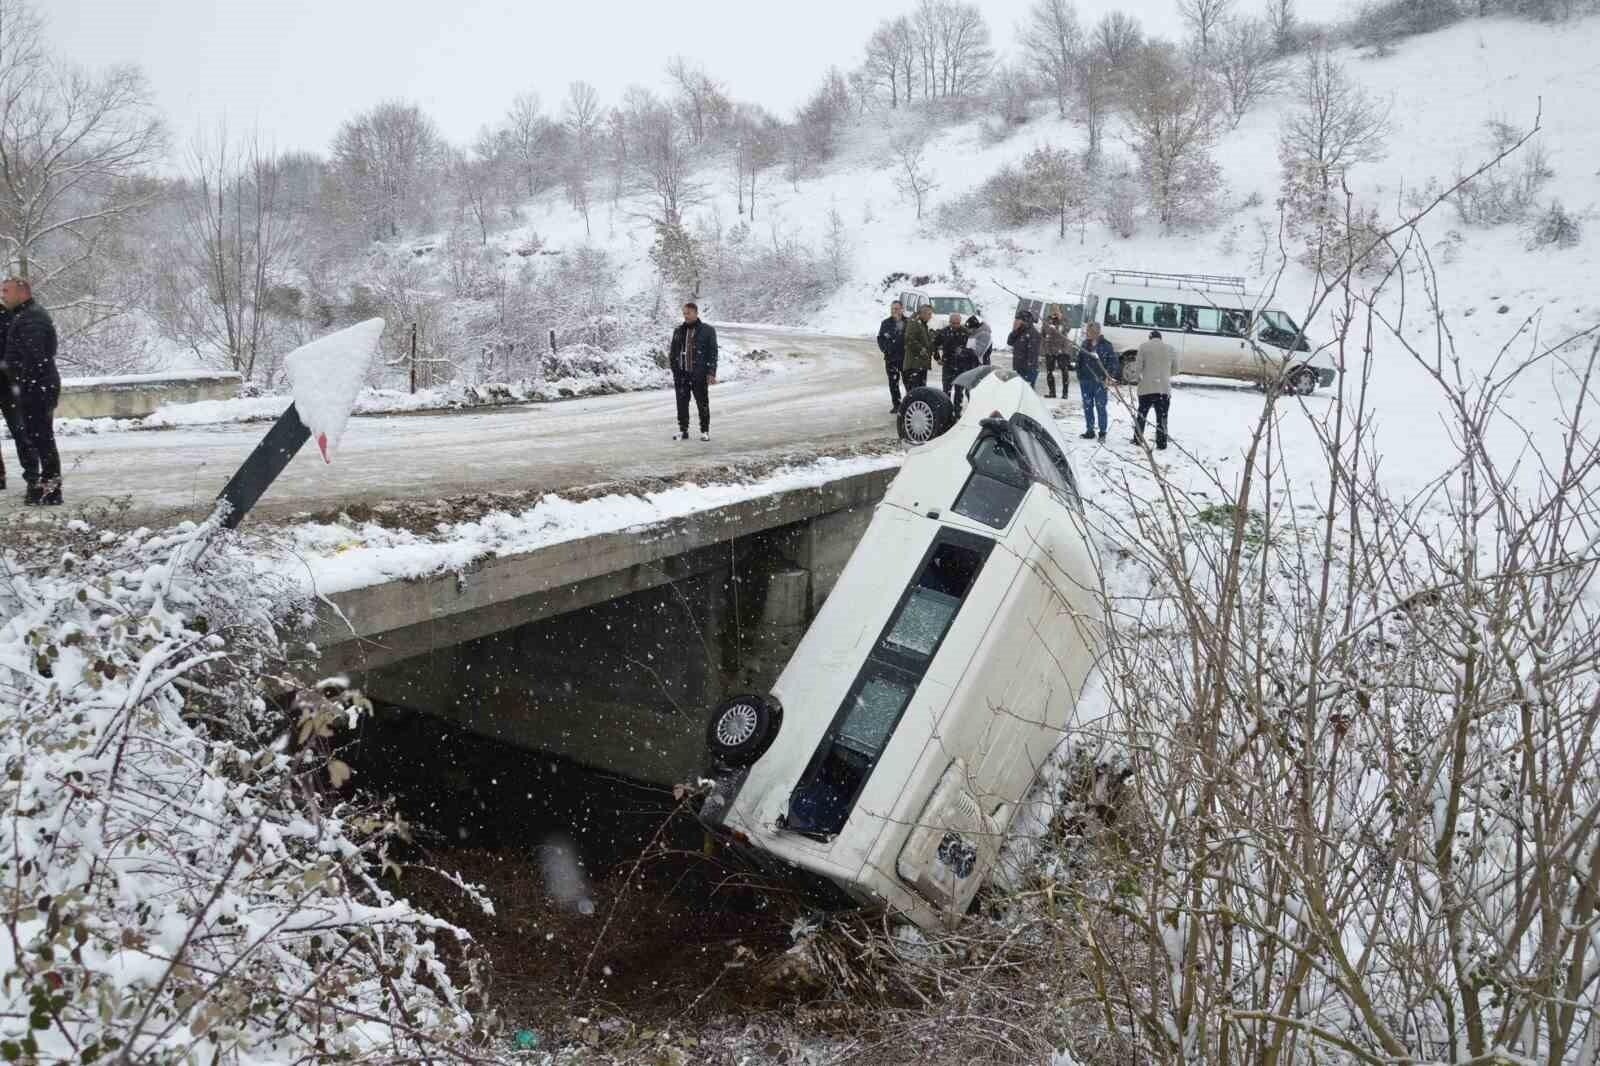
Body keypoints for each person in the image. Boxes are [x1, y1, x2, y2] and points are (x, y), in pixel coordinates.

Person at [0, 277, 61, 505]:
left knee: (37, 438)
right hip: (28, 386)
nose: (2, 295)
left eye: (6, 290)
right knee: (38, 437)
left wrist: (22, 383)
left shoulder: (26, 317)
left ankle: (45, 487)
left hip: (29, 387)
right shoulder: (23, 315)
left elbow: (35, 358)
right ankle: (46, 488)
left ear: (21, 292)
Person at [668, 301, 717, 441]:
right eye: (684, 313)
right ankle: (683, 430)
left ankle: (704, 431)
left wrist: (711, 372)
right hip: (681, 375)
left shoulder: (708, 330)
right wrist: (675, 370)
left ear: (696, 313)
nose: (685, 316)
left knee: (702, 403)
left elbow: (713, 353)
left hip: (699, 374)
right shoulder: (678, 330)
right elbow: (673, 352)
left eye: (688, 313)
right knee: (681, 403)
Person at [1130, 329, 1179, 450]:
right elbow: (1176, 370)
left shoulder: (1143, 347)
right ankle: (1161, 442)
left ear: (1150, 337)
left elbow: (1138, 368)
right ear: (1161, 338)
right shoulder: (1171, 349)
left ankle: (1138, 438)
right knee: (1162, 416)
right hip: (1163, 389)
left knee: (1142, 414)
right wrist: (1165, 375)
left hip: (1146, 388)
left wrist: (1138, 378)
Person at [1075, 321, 1119, 442]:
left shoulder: (1106, 345)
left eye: (1089, 332)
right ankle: (1090, 430)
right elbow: (1079, 360)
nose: (1087, 334)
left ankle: (1102, 432)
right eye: (1087, 332)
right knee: (1087, 406)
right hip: (1085, 380)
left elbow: (1113, 363)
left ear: (1096, 332)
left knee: (1100, 407)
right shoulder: (1085, 344)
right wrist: (1079, 374)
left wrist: (1108, 376)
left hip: (1100, 381)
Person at [876, 300, 908, 413]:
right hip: (891, 358)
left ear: (902, 309)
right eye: (893, 308)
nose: (895, 311)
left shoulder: (908, 322)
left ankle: (909, 404)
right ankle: (897, 404)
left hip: (905, 358)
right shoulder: (886, 323)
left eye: (897, 308)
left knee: (908, 382)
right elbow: (880, 339)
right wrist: (886, 350)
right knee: (893, 382)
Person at [934, 311, 969, 403]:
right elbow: (934, 345)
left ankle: (957, 412)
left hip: (961, 365)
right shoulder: (944, 332)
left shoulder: (965, 332)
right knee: (946, 391)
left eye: (957, 323)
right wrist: (937, 358)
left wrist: (963, 352)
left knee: (959, 391)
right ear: (949, 322)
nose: (955, 325)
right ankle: (946, 411)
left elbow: (971, 349)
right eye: (953, 323)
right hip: (947, 364)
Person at [1007, 310, 1042, 391]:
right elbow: (1009, 342)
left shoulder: (1033, 334)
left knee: (1026, 394)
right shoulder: (1020, 331)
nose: (1015, 322)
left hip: (1027, 370)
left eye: (1018, 320)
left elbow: (1033, 355)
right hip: (1018, 368)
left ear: (1025, 321)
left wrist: (1029, 373)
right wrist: (1014, 331)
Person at [902, 304, 934, 390]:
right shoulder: (914, 322)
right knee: (914, 391)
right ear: (922, 313)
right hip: (914, 365)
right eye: (929, 314)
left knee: (921, 390)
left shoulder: (923, 324)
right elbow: (909, 339)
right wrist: (921, 349)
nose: (930, 317)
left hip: (921, 364)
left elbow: (925, 341)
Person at [1042, 310, 1071, 399]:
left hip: (1062, 349)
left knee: (1064, 370)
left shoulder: (1064, 320)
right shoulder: (1047, 320)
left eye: (1057, 309)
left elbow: (1067, 328)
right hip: (1050, 349)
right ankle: (1052, 392)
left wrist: (1060, 319)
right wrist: (1050, 325)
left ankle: (1065, 393)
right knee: (1049, 371)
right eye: (1053, 309)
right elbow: (1044, 332)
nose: (1055, 312)